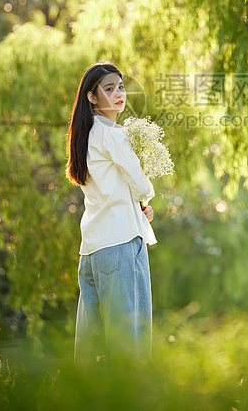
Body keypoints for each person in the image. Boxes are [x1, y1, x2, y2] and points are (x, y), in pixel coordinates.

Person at [65, 61, 156, 363]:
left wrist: (136, 204)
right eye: (108, 88)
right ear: (92, 97)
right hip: (119, 245)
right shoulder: (112, 134)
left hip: (91, 251)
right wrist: (145, 200)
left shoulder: (85, 135)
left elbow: (110, 189)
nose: (119, 94)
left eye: (120, 86)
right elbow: (140, 181)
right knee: (128, 343)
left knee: (91, 349)